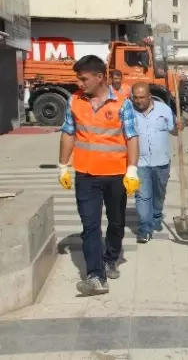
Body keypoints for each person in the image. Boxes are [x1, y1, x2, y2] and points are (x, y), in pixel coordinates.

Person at [57, 55, 140, 296]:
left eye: (83, 79)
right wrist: (63, 165)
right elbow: (68, 134)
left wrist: (132, 170)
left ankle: (111, 257)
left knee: (116, 222)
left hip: (116, 176)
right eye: (78, 79)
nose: (79, 83)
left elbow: (131, 137)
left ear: (99, 77)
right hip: (86, 176)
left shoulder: (123, 104)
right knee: (90, 226)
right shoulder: (74, 101)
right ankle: (96, 276)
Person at [130, 82, 184, 243]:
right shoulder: (129, 112)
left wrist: (178, 127)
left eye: (142, 98)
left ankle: (156, 216)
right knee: (142, 196)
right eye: (136, 98)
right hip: (139, 163)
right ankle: (144, 228)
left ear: (149, 96)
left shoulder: (163, 110)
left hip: (161, 162)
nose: (138, 101)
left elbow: (173, 131)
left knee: (158, 195)